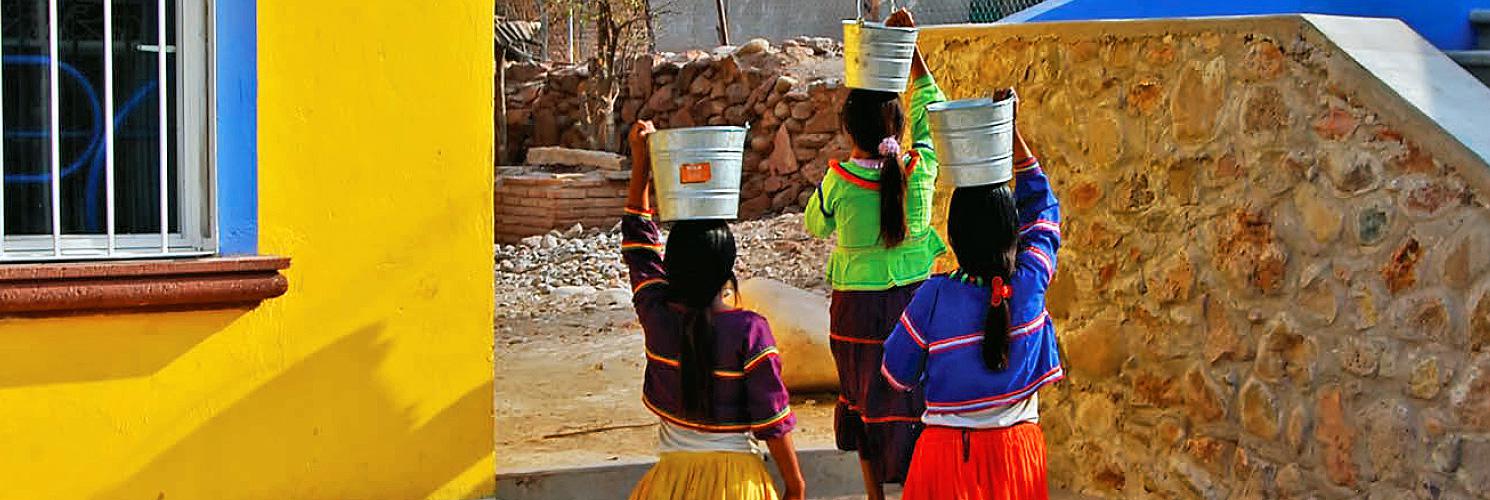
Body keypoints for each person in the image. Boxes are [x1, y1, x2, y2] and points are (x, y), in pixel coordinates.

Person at [880, 93, 1064, 500]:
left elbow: (895, 373)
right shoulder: (1030, 280)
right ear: (1012, 231)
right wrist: (1010, 131)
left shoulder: (935, 296)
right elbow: (1044, 210)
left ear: (956, 236)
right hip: (1016, 458)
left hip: (946, 460)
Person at [622, 120, 807, 500]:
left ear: (671, 268)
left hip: (669, 484)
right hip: (737, 485)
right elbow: (772, 419)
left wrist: (642, 161)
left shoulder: (657, 313)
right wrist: (795, 485)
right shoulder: (750, 330)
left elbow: (638, 245)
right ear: (727, 272)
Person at [803, 9, 946, 499]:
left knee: (862, 399)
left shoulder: (839, 181)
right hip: (917, 307)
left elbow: (814, 223)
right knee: (918, 400)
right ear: (900, 127)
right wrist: (912, 52)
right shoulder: (921, 170)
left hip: (856, 313)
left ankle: (875, 496)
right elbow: (933, 111)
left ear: (849, 131)